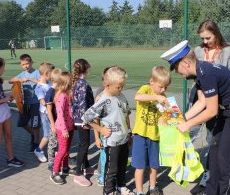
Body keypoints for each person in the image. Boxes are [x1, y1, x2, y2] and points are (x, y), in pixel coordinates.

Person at [161, 40, 230, 195]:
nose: (177, 72)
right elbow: (201, 102)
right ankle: (211, 191)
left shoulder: (206, 74)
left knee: (226, 158)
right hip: (229, 112)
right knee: (214, 151)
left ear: (185, 62)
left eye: (176, 68)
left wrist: (188, 124)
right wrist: (181, 119)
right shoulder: (200, 72)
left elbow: (211, 111)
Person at [193, 20, 230, 187]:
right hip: (199, 98)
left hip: (219, 102)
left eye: (208, 37)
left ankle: (210, 175)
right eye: (203, 38)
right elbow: (192, 72)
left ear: (216, 34)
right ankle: (188, 169)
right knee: (189, 133)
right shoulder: (197, 51)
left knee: (213, 139)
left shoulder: (227, 51)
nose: (205, 42)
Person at [82, 66, 134, 195]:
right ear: (107, 84)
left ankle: (121, 187)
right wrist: (100, 130)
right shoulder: (103, 100)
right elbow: (86, 118)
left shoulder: (121, 96)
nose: (121, 89)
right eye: (118, 87)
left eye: (122, 86)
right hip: (112, 142)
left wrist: (129, 133)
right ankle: (109, 191)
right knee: (112, 169)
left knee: (122, 166)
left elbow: (126, 115)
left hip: (123, 138)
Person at [131, 66, 171, 195]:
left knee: (154, 165)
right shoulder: (146, 89)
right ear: (152, 81)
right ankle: (139, 191)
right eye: (161, 87)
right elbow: (137, 97)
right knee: (140, 165)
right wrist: (155, 97)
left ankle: (153, 188)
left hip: (155, 136)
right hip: (140, 135)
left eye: (165, 87)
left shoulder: (163, 97)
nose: (163, 90)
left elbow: (162, 118)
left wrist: (166, 120)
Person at [0, 57, 25, 178]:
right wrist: (5, 99)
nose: (4, 69)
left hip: (4, 110)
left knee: (9, 135)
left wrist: (10, 95)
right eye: (3, 67)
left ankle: (11, 159)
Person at [9, 54, 41, 152]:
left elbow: (41, 82)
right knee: (22, 123)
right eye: (23, 64)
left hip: (36, 103)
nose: (26, 66)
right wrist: (19, 80)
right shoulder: (22, 74)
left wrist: (29, 79)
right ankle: (33, 135)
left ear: (31, 62)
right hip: (25, 103)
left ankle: (36, 143)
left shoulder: (37, 72)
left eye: (27, 63)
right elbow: (10, 81)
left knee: (35, 125)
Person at [71, 59, 95, 187]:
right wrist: (85, 120)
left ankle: (86, 166)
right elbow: (82, 104)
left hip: (79, 118)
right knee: (84, 145)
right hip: (82, 120)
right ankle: (78, 173)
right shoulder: (82, 84)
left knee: (84, 143)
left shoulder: (78, 82)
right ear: (87, 68)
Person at [50, 72, 74, 185]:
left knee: (67, 149)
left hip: (69, 126)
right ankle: (54, 172)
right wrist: (64, 129)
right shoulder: (62, 96)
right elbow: (60, 114)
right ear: (66, 83)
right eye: (71, 81)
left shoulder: (67, 94)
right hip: (63, 128)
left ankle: (65, 167)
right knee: (62, 150)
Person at [34, 62, 55, 163]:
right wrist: (52, 102)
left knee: (53, 133)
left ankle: (53, 150)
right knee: (47, 134)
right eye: (52, 74)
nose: (53, 76)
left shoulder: (50, 84)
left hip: (51, 113)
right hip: (45, 113)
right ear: (47, 73)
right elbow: (42, 101)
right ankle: (38, 150)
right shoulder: (39, 87)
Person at [45, 68, 62, 171]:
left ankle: (63, 158)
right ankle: (51, 161)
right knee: (53, 142)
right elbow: (49, 110)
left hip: (60, 122)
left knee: (61, 142)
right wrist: (52, 124)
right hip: (54, 123)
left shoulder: (58, 90)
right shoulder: (51, 92)